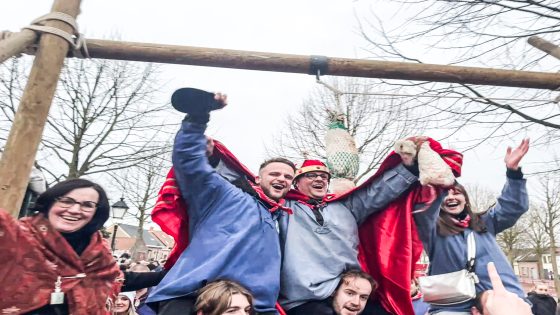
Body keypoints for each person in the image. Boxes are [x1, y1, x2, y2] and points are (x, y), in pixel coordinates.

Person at [146, 88, 295, 315]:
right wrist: (197, 117)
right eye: (274, 173)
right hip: (195, 297)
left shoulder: (282, 216)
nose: (281, 179)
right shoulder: (226, 196)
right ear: (257, 178)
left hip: (256, 307)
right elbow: (189, 163)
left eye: (287, 177)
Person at [278, 155, 422, 314]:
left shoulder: (346, 206)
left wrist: (410, 168)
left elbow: (377, 192)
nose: (319, 179)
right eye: (311, 175)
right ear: (296, 182)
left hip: (348, 287)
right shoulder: (282, 208)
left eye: (324, 176)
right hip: (304, 297)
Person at [0, 178, 165, 315]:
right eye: (66, 201)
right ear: (50, 202)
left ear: (96, 212)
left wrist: (178, 273)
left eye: (87, 205)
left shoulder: (97, 251)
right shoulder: (15, 238)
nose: (75, 210)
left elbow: (117, 279)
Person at [413, 139, 530, 314]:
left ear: (466, 198)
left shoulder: (485, 221)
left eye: (456, 193)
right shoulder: (433, 229)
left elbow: (512, 207)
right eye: (445, 195)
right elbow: (423, 211)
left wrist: (513, 173)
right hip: (454, 306)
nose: (451, 197)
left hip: (499, 299)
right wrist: (431, 174)